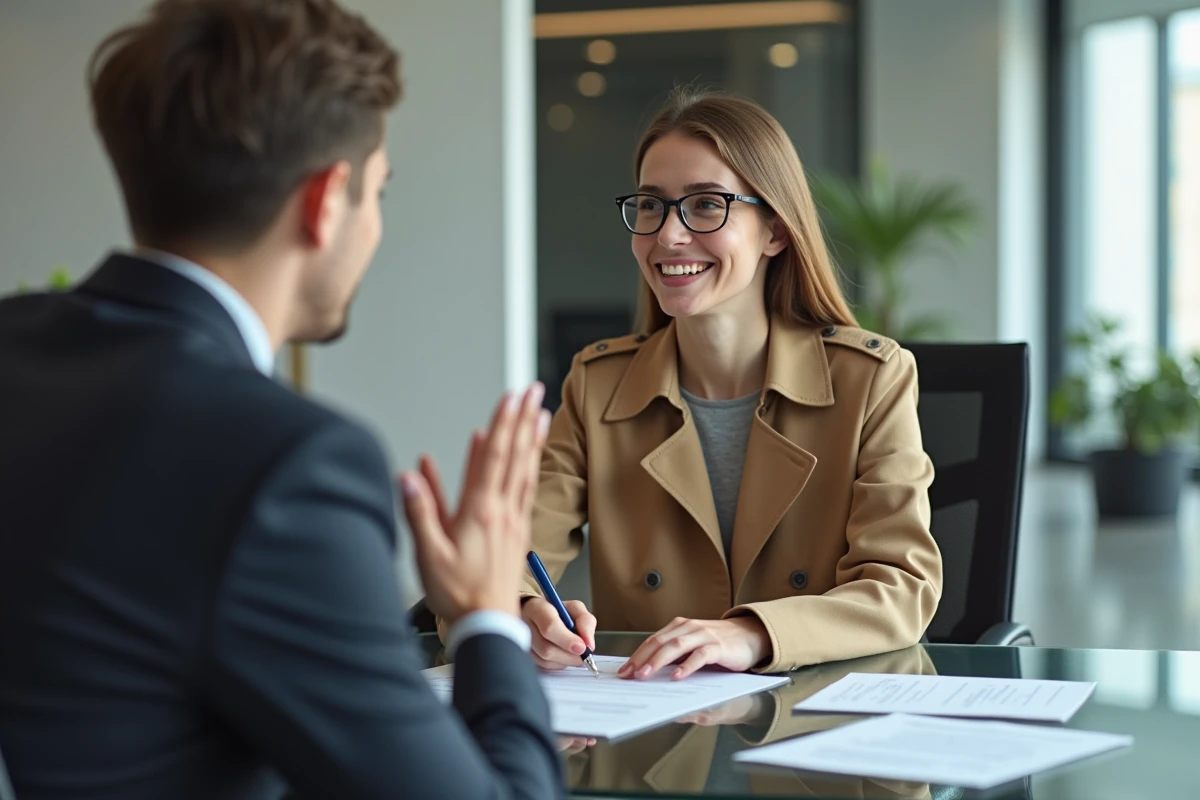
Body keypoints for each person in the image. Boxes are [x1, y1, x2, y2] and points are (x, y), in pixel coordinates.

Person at [0, 1, 562, 798]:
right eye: (378, 194)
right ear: (327, 199)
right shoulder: (288, 463)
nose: (374, 226)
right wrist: (483, 619)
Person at [517, 89, 943, 679]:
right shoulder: (596, 385)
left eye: (706, 205)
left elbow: (900, 586)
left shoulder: (870, 379)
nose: (668, 236)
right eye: (650, 206)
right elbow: (513, 558)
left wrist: (752, 634)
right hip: (648, 736)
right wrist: (524, 613)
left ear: (774, 230)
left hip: (813, 731)